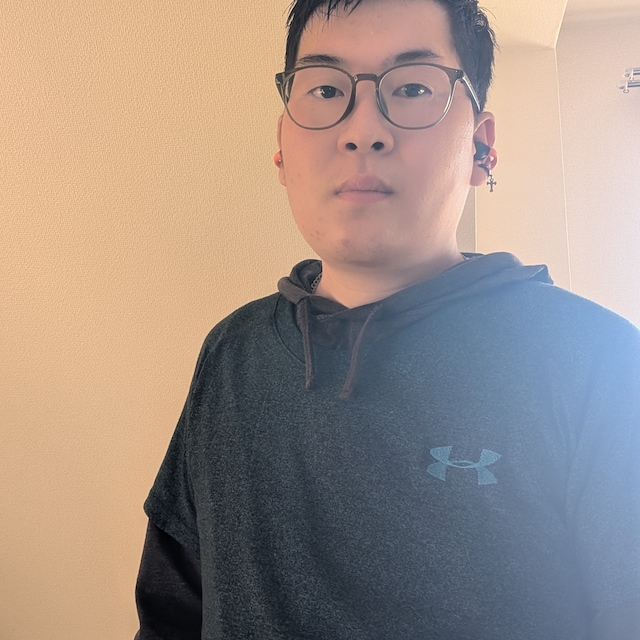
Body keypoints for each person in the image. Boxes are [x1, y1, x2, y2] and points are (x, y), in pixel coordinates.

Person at [134, 0, 640, 638]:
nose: (363, 131)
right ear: (281, 148)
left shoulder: (600, 362)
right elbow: (171, 615)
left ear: (482, 148)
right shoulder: (232, 352)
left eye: (412, 88)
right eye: (325, 89)